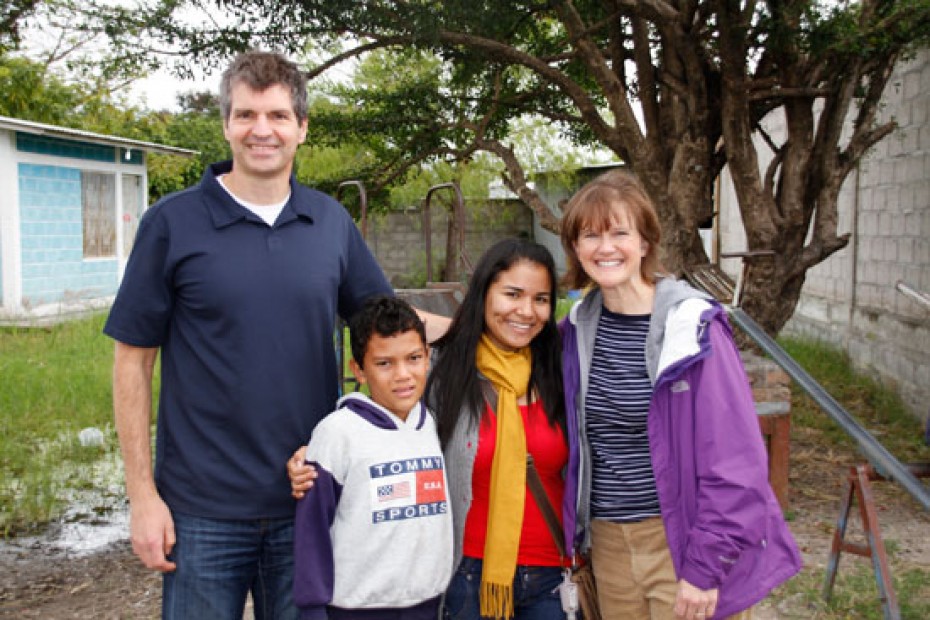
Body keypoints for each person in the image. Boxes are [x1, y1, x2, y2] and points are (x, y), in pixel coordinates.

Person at [104, 51, 394, 619]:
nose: (262, 130)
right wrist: (143, 499)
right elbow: (131, 362)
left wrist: (493, 323)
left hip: (307, 500)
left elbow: (387, 326)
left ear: (302, 128)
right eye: (246, 114)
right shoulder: (171, 224)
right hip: (200, 510)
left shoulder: (330, 223)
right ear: (227, 124)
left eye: (279, 116)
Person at [290, 238, 578, 620]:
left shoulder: (562, 370)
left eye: (541, 298)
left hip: (549, 576)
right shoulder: (443, 371)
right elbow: (386, 420)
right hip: (467, 577)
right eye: (512, 294)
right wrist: (314, 456)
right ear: (484, 295)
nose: (527, 311)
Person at [558, 169, 802, 619]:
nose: (604, 247)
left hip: (680, 540)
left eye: (619, 232)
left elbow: (737, 459)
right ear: (575, 247)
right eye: (589, 235)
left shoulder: (693, 330)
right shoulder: (573, 334)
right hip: (608, 544)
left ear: (646, 242)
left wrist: (706, 567)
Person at [293, 296, 453, 619]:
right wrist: (312, 609)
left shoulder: (431, 424)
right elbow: (312, 531)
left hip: (426, 605)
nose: (403, 374)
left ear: (428, 358)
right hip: (358, 609)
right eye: (384, 363)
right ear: (359, 370)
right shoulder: (337, 433)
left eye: (413, 358)